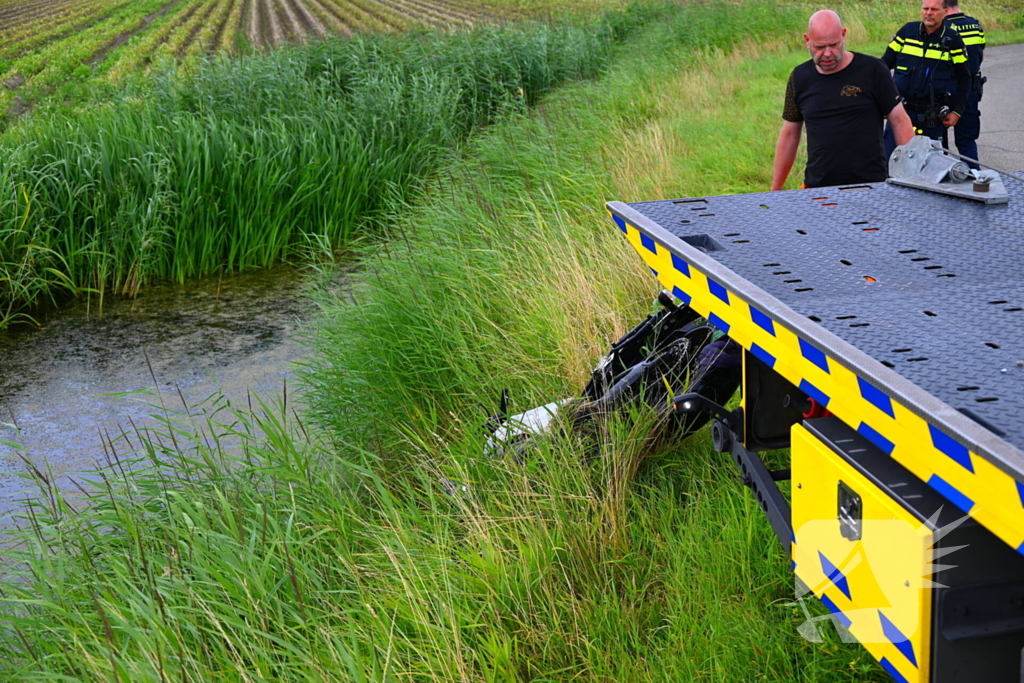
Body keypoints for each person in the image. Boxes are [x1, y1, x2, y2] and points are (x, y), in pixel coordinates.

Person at [771, 10, 914, 191]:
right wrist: (775, 190)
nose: (827, 53)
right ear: (807, 40)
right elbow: (790, 134)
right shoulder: (799, 77)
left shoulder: (873, 70)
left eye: (834, 45)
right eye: (819, 47)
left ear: (843, 35)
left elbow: (900, 121)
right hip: (818, 188)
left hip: (869, 187)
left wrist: (912, 179)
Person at [881, 0, 971, 161]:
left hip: (932, 118)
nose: (929, 13)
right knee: (890, 162)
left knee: (930, 167)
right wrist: (882, 102)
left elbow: (964, 78)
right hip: (901, 112)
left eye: (934, 9)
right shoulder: (907, 32)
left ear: (945, 11)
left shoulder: (953, 40)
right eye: (925, 8)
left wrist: (957, 111)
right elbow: (883, 67)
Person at [943, 0, 985, 168]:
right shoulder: (975, 25)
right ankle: (973, 175)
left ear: (944, 7)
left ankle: (940, 176)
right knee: (967, 139)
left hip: (944, 89)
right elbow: (981, 55)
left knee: (937, 141)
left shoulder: (941, 27)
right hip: (970, 89)